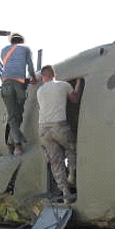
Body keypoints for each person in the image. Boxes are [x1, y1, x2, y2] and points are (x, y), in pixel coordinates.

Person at [36, 65, 83, 201]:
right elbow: (74, 98)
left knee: (55, 161)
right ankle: (72, 174)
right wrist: (79, 83)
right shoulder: (63, 85)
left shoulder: (40, 91)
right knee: (71, 148)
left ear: (43, 77)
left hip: (43, 129)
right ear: (53, 74)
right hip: (58, 125)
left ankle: (65, 192)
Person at [0, 33, 36, 155]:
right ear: (22, 41)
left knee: (13, 115)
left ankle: (13, 143)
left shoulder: (4, 50)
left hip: (6, 84)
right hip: (20, 85)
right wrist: (34, 78)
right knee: (18, 114)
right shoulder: (26, 49)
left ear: (12, 42)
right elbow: (30, 66)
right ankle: (18, 144)